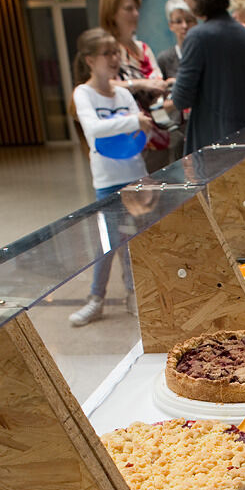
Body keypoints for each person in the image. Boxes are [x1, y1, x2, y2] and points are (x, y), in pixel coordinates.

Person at [68, 27, 154, 327]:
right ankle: (96, 299)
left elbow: (143, 129)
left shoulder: (124, 93)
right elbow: (93, 130)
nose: (114, 58)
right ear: (90, 60)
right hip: (107, 180)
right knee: (107, 242)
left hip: (136, 176)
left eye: (116, 52)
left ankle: (134, 294)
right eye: (107, 53)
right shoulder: (83, 93)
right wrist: (131, 121)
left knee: (134, 238)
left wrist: (135, 124)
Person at [171, 0, 245, 154]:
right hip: (243, 137)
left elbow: (181, 99)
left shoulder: (197, 36)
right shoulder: (243, 32)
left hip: (210, 144)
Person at [99, 0, 174, 173]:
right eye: (128, 9)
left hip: (159, 133)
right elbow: (101, 85)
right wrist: (139, 84)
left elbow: (157, 82)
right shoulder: (107, 51)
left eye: (136, 9)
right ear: (112, 13)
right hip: (129, 139)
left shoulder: (143, 49)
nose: (135, 14)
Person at [156, 0, 197, 160]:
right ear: (170, 26)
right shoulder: (165, 59)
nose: (184, 26)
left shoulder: (203, 54)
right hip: (178, 131)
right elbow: (157, 104)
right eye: (178, 21)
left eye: (189, 20)